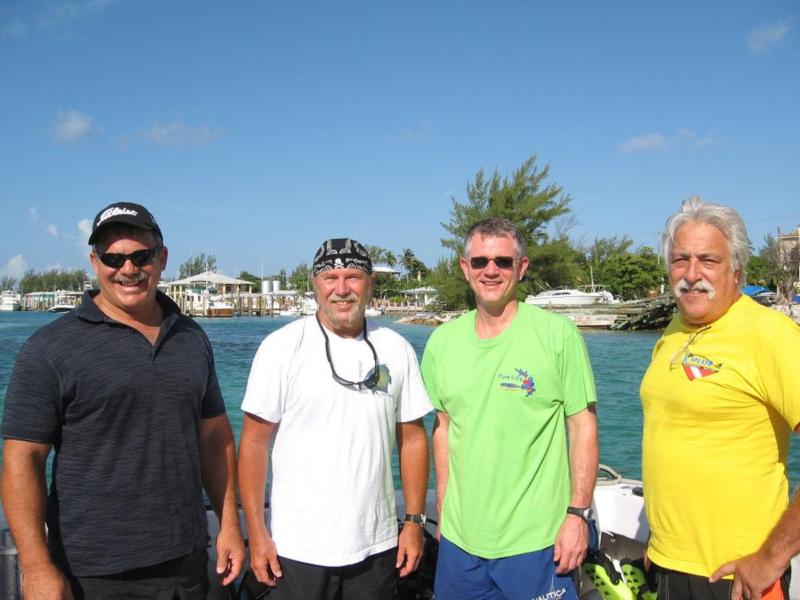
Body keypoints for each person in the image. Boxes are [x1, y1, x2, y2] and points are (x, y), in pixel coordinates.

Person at [1, 202, 244, 599]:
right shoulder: (49, 348)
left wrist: (229, 524)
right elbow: (22, 459)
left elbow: (215, 437)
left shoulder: (191, 338)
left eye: (140, 256)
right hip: (93, 573)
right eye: (113, 258)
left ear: (162, 258)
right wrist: (36, 565)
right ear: (95, 263)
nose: (128, 269)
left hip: (188, 562)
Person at [237, 237, 432, 600]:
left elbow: (414, 439)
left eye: (353, 277)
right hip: (296, 549)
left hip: (377, 546)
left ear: (370, 283)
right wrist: (257, 532)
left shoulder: (397, 348)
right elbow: (254, 442)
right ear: (315, 285)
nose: (342, 289)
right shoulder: (281, 347)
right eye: (331, 278)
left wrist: (414, 522)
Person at [421, 217, 599, 600]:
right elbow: (443, 428)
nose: (491, 270)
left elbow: (582, 426)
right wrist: (445, 510)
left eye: (503, 261)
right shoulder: (441, 343)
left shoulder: (558, 335)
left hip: (537, 542)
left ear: (521, 268)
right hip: (460, 544)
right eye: (481, 261)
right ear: (464, 268)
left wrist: (577, 516)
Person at [641, 197, 800, 600]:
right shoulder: (674, 330)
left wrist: (771, 557)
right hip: (668, 565)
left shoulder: (771, 335)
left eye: (708, 260)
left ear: (737, 268)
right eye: (680, 260)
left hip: (739, 575)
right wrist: (660, 545)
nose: (692, 274)